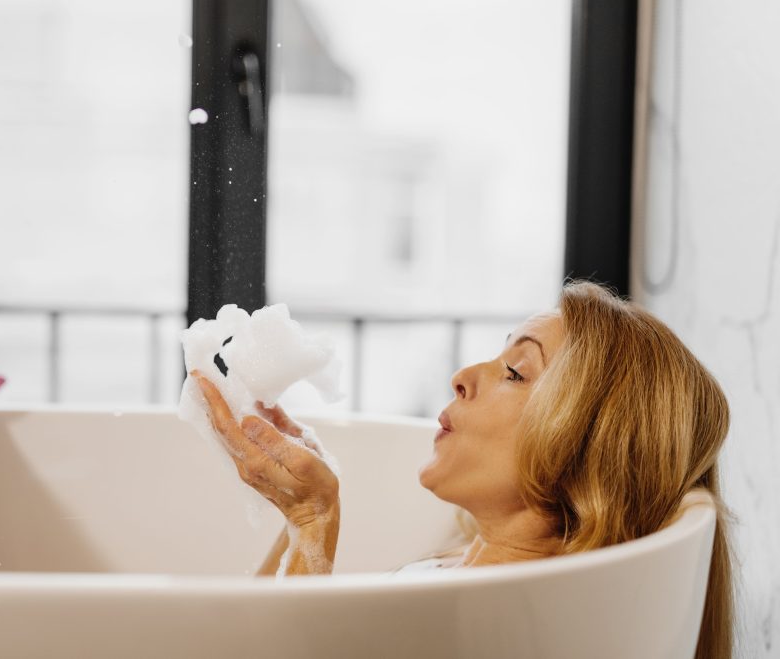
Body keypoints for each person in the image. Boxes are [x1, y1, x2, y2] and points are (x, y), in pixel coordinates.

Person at [191, 280, 734, 659]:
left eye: (515, 373)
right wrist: (296, 516)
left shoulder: (507, 628)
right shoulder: (465, 566)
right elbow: (245, 641)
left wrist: (313, 519)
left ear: (585, 449)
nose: (463, 376)